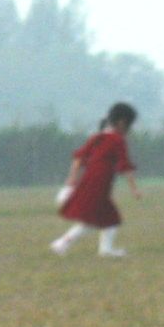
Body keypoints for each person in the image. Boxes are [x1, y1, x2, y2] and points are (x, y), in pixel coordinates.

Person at [51, 102, 141, 258]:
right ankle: (63, 243)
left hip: (89, 180)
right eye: (129, 124)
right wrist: (134, 189)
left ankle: (105, 250)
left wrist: (71, 179)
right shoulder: (117, 140)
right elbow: (125, 166)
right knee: (96, 220)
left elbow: (78, 158)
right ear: (121, 122)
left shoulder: (98, 137)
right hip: (99, 184)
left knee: (108, 218)